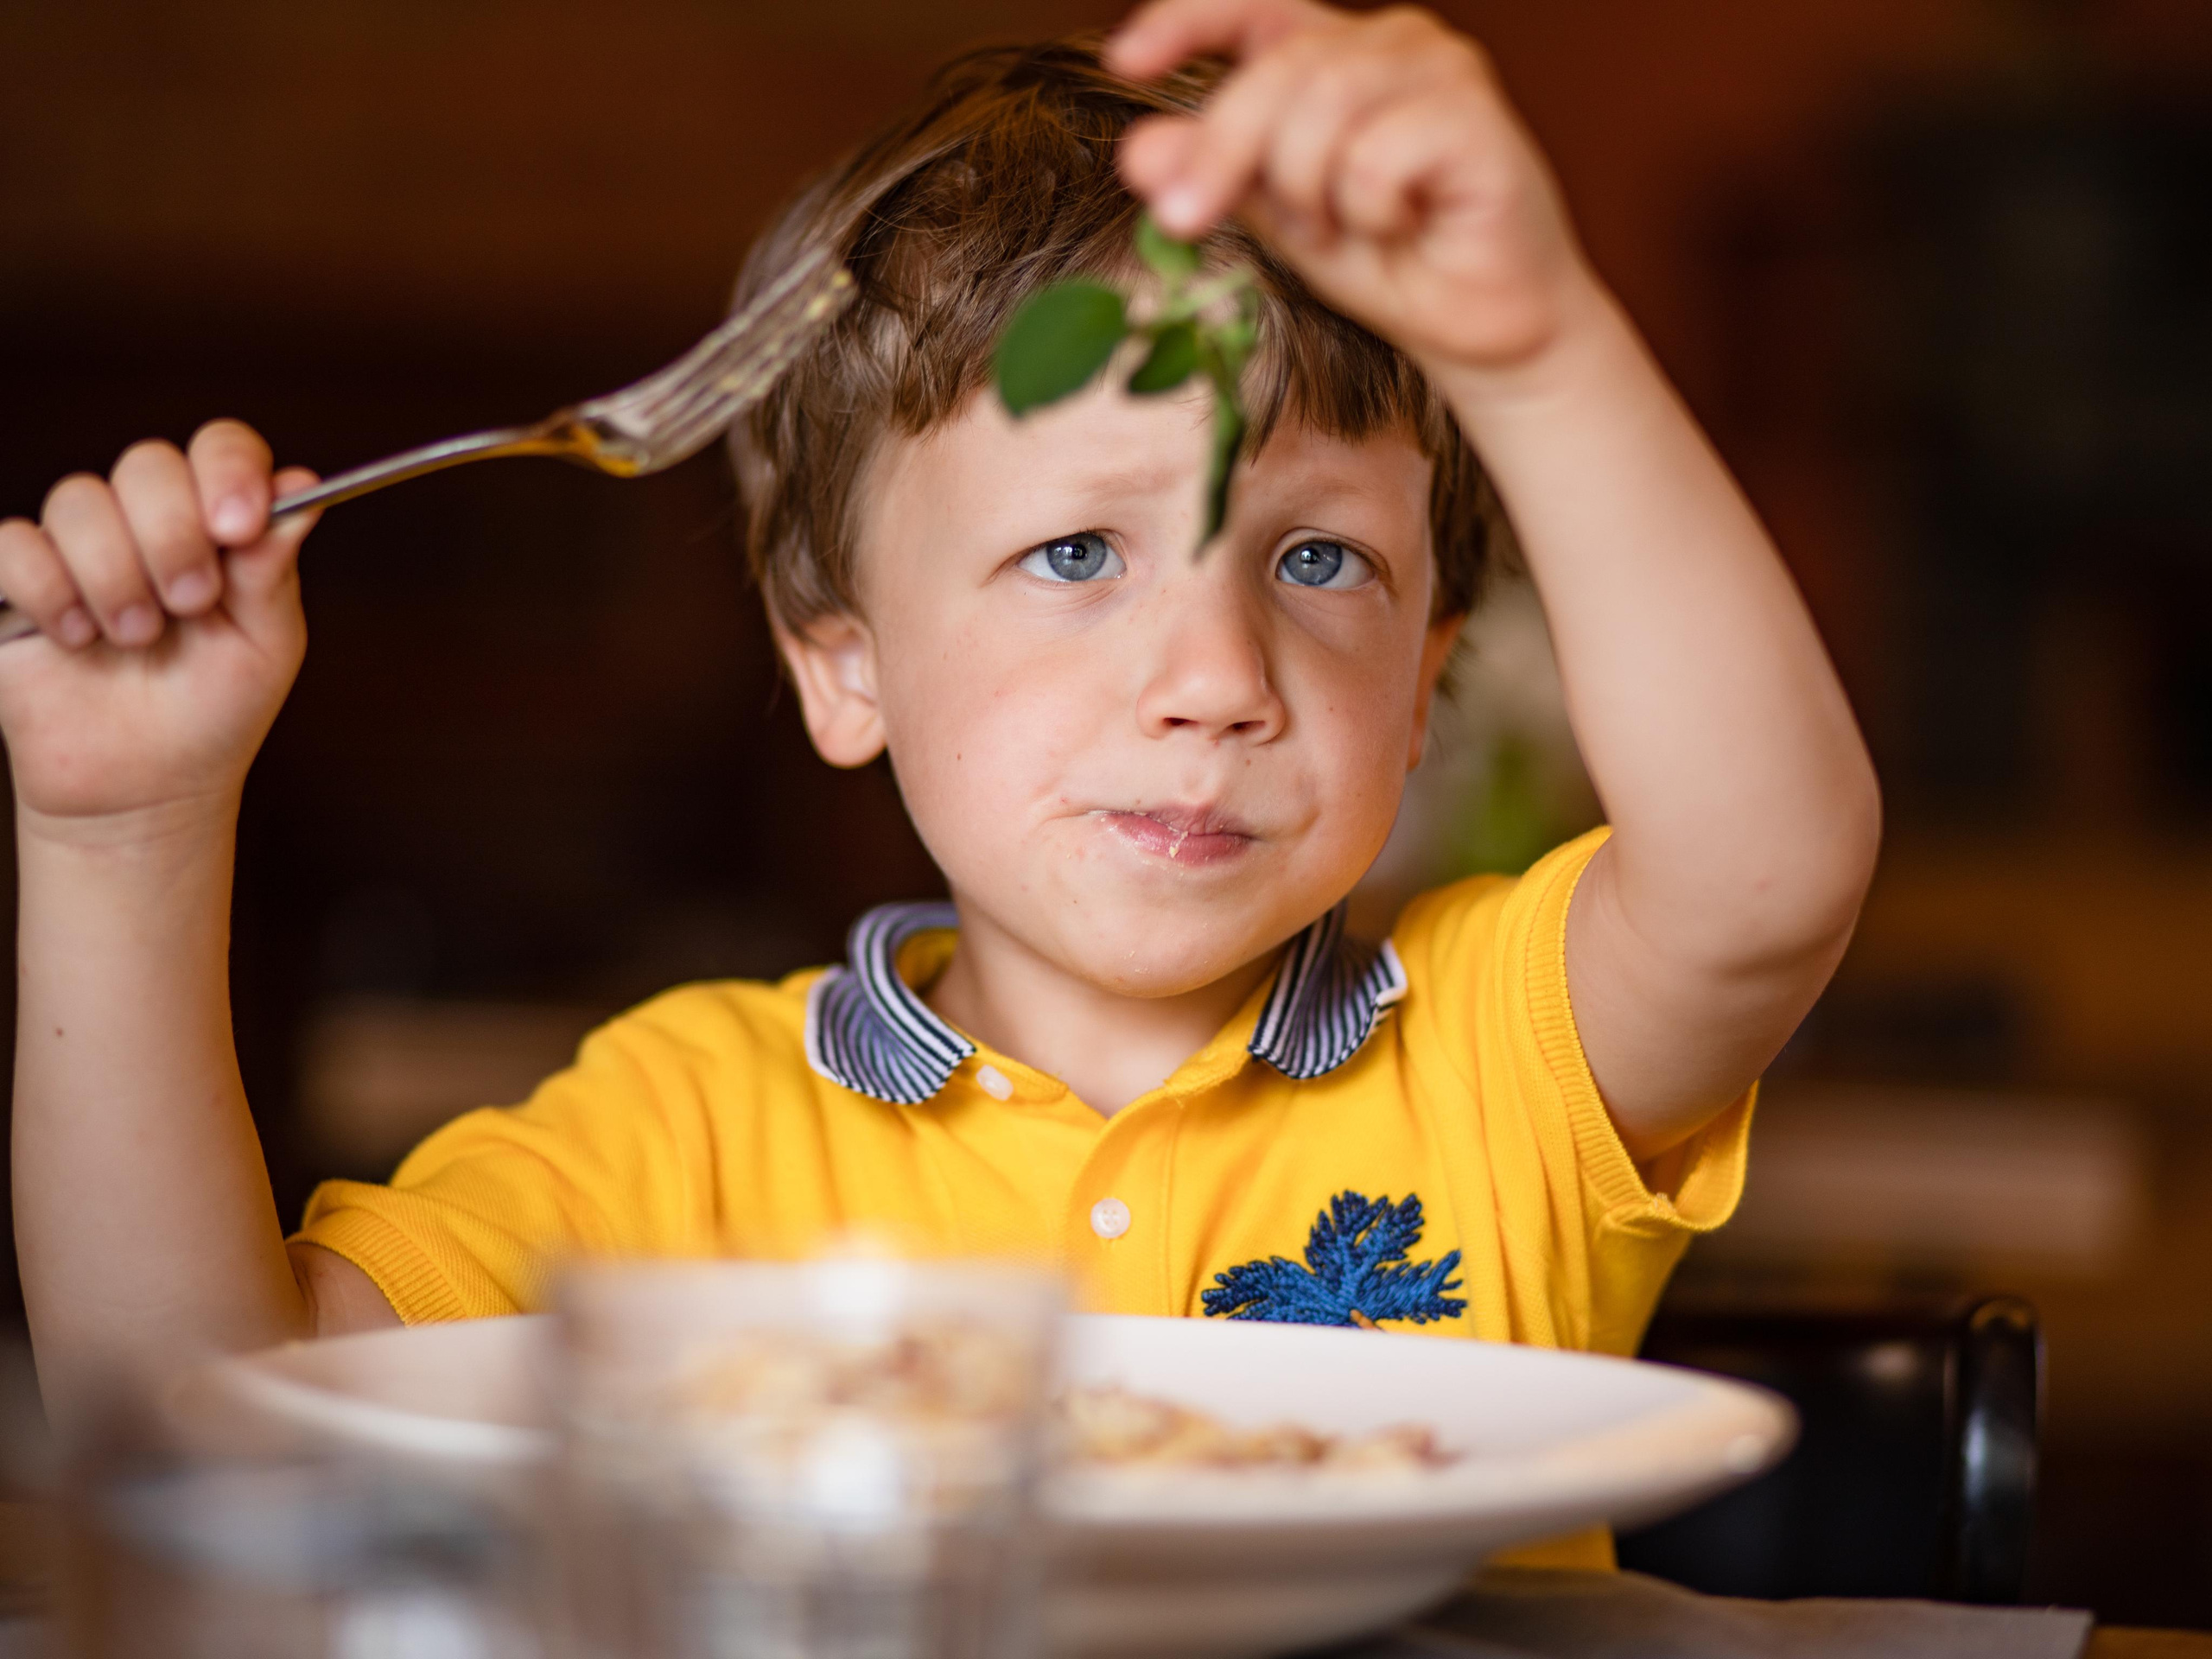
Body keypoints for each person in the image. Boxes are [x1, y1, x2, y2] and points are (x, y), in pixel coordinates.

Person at [1, 0, 1878, 1563]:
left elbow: (1762, 877)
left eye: (1318, 563)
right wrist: (122, 834)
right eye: (1076, 554)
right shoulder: (678, 1137)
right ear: (843, 662)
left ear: (1426, 688)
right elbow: (205, 1434)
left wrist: (1533, 351)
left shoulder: (1496, 1055)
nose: (1217, 681)